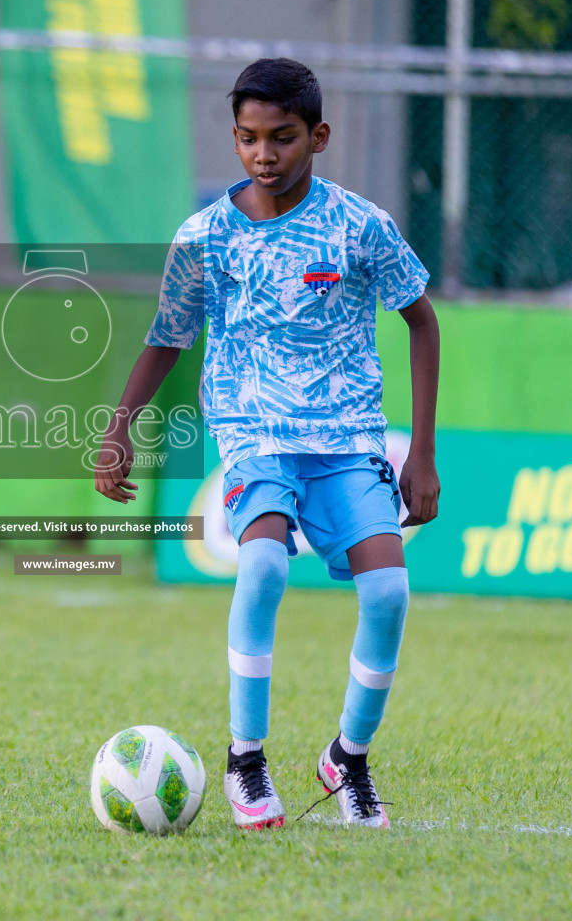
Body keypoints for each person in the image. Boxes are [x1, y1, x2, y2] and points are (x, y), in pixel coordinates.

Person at [95, 59, 440, 830]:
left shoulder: (360, 225)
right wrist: (119, 430)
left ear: (317, 136)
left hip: (350, 441)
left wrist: (419, 452)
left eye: (282, 138)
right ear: (235, 139)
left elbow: (422, 320)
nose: (264, 154)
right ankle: (244, 759)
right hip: (254, 436)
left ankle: (347, 758)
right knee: (259, 570)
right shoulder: (204, 237)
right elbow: (167, 339)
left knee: (388, 594)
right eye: (249, 139)